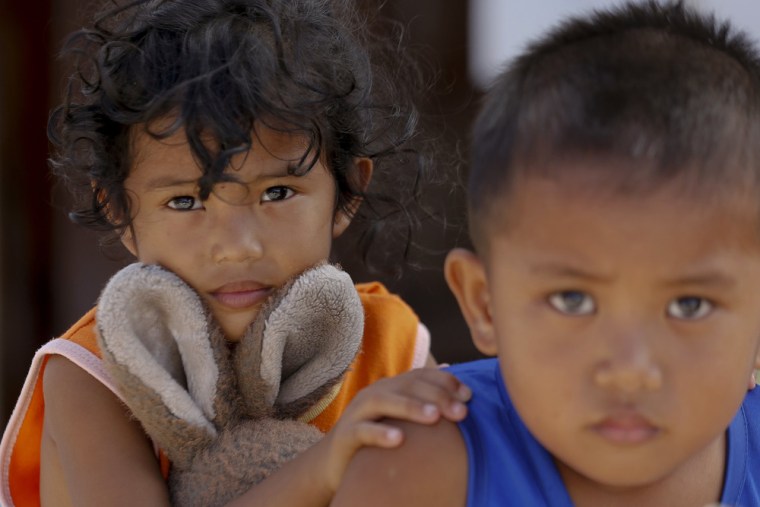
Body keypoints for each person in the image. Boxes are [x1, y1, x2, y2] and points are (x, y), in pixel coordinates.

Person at [0, 0, 472, 505]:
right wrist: (327, 467)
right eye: (185, 201)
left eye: (277, 193)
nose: (237, 247)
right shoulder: (94, 373)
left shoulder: (391, 348)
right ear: (119, 211)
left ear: (348, 191)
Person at [331, 1, 760, 506]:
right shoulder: (423, 470)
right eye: (573, 300)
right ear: (485, 304)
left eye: (690, 305)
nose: (628, 369)